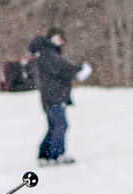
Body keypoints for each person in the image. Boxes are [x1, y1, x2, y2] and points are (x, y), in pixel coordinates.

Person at [28, 29, 91, 164]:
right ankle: (56, 155)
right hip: (54, 97)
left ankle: (44, 155)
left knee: (54, 126)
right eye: (60, 40)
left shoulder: (46, 54)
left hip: (51, 96)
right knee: (60, 125)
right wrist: (78, 69)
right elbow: (62, 69)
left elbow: (61, 69)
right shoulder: (48, 54)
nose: (62, 44)